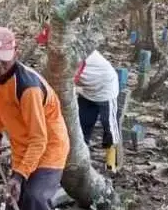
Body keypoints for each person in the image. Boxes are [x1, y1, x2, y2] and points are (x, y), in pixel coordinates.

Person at [0, 27, 70, 210]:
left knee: (34, 199)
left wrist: (19, 176)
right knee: (14, 206)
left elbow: (40, 139)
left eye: (3, 58)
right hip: (24, 149)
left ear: (15, 53)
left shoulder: (28, 87)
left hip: (49, 149)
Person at [35, 26, 121, 171]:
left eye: (47, 44)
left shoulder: (75, 54)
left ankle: (112, 164)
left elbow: (66, 80)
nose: (45, 47)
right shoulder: (58, 57)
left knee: (109, 127)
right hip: (87, 89)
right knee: (82, 124)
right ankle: (81, 161)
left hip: (105, 88)